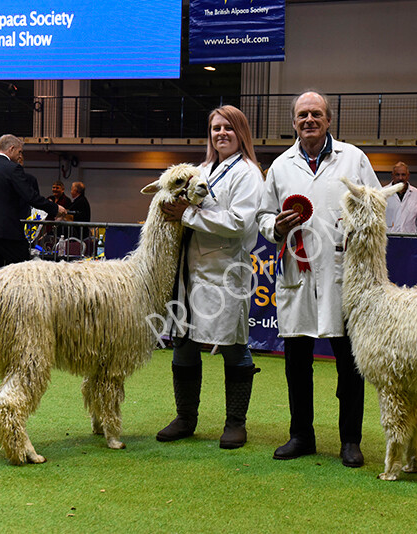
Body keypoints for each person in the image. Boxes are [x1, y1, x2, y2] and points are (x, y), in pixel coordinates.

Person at [256, 91, 381, 468]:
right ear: (293, 123)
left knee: (349, 363)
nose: (309, 120)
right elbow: (262, 217)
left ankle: (350, 440)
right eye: (302, 115)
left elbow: (377, 205)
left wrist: (359, 224)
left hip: (343, 273)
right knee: (296, 362)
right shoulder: (280, 166)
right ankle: (301, 435)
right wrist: (274, 225)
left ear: (329, 120)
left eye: (316, 114)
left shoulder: (354, 158)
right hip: (297, 272)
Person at [157, 105, 263, 449]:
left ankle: (235, 422)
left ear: (240, 132)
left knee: (233, 345)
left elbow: (240, 223)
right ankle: (186, 417)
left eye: (228, 128)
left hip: (225, 270)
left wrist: (188, 214)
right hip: (189, 270)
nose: (221, 134)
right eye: (216, 128)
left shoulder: (248, 173)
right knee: (184, 341)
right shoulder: (200, 169)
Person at [0, 134, 67, 280]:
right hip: (8, 232)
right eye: (20, 152)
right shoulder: (12, 169)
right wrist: (55, 208)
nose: (20, 155)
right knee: (22, 273)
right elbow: (30, 196)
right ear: (12, 148)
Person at [384, 161, 417, 254]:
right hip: (388, 244)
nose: (400, 178)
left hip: (410, 243)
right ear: (392, 175)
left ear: (408, 176)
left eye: (403, 175)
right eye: (397, 175)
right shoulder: (383, 193)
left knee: (409, 268)